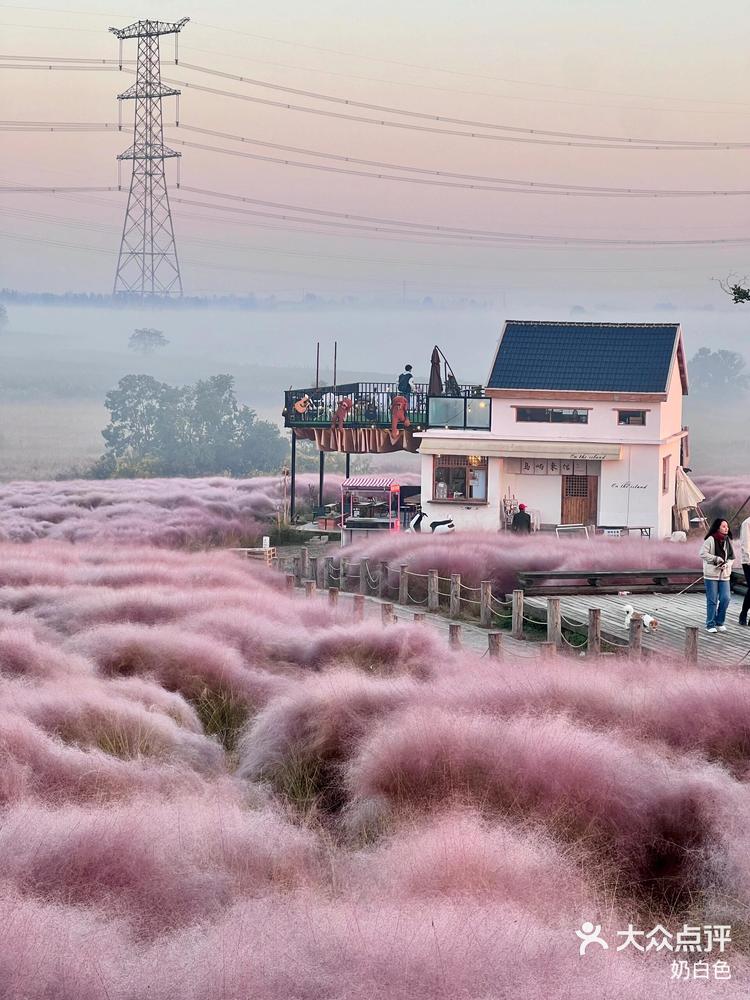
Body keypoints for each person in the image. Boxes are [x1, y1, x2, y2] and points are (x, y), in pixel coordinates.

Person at [700, 517, 734, 634]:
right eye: (724, 526)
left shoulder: (727, 540)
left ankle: (719, 621)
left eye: (727, 526)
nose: (726, 528)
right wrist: (716, 559)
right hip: (711, 575)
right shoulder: (710, 539)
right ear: (718, 527)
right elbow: (703, 554)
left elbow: (731, 557)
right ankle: (710, 624)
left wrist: (727, 564)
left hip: (724, 575)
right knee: (712, 600)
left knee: (726, 598)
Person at [739, 513, 750, 625]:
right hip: (748, 562)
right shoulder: (747, 523)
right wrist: (748, 560)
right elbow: (745, 544)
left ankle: (744, 614)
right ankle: (743, 613)